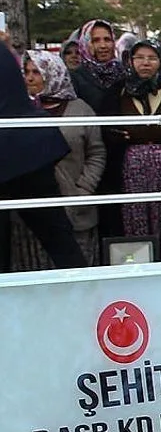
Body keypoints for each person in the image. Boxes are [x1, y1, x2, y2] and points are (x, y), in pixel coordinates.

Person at [0, 48, 93, 269]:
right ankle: (87, 296)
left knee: (58, 240)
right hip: (30, 148)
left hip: (16, 149)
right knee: (60, 242)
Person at [113, 39, 161, 260]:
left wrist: (144, 133)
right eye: (140, 58)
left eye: (151, 58)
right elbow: (114, 130)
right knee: (136, 217)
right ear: (131, 61)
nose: (145, 63)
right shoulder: (119, 91)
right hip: (132, 167)